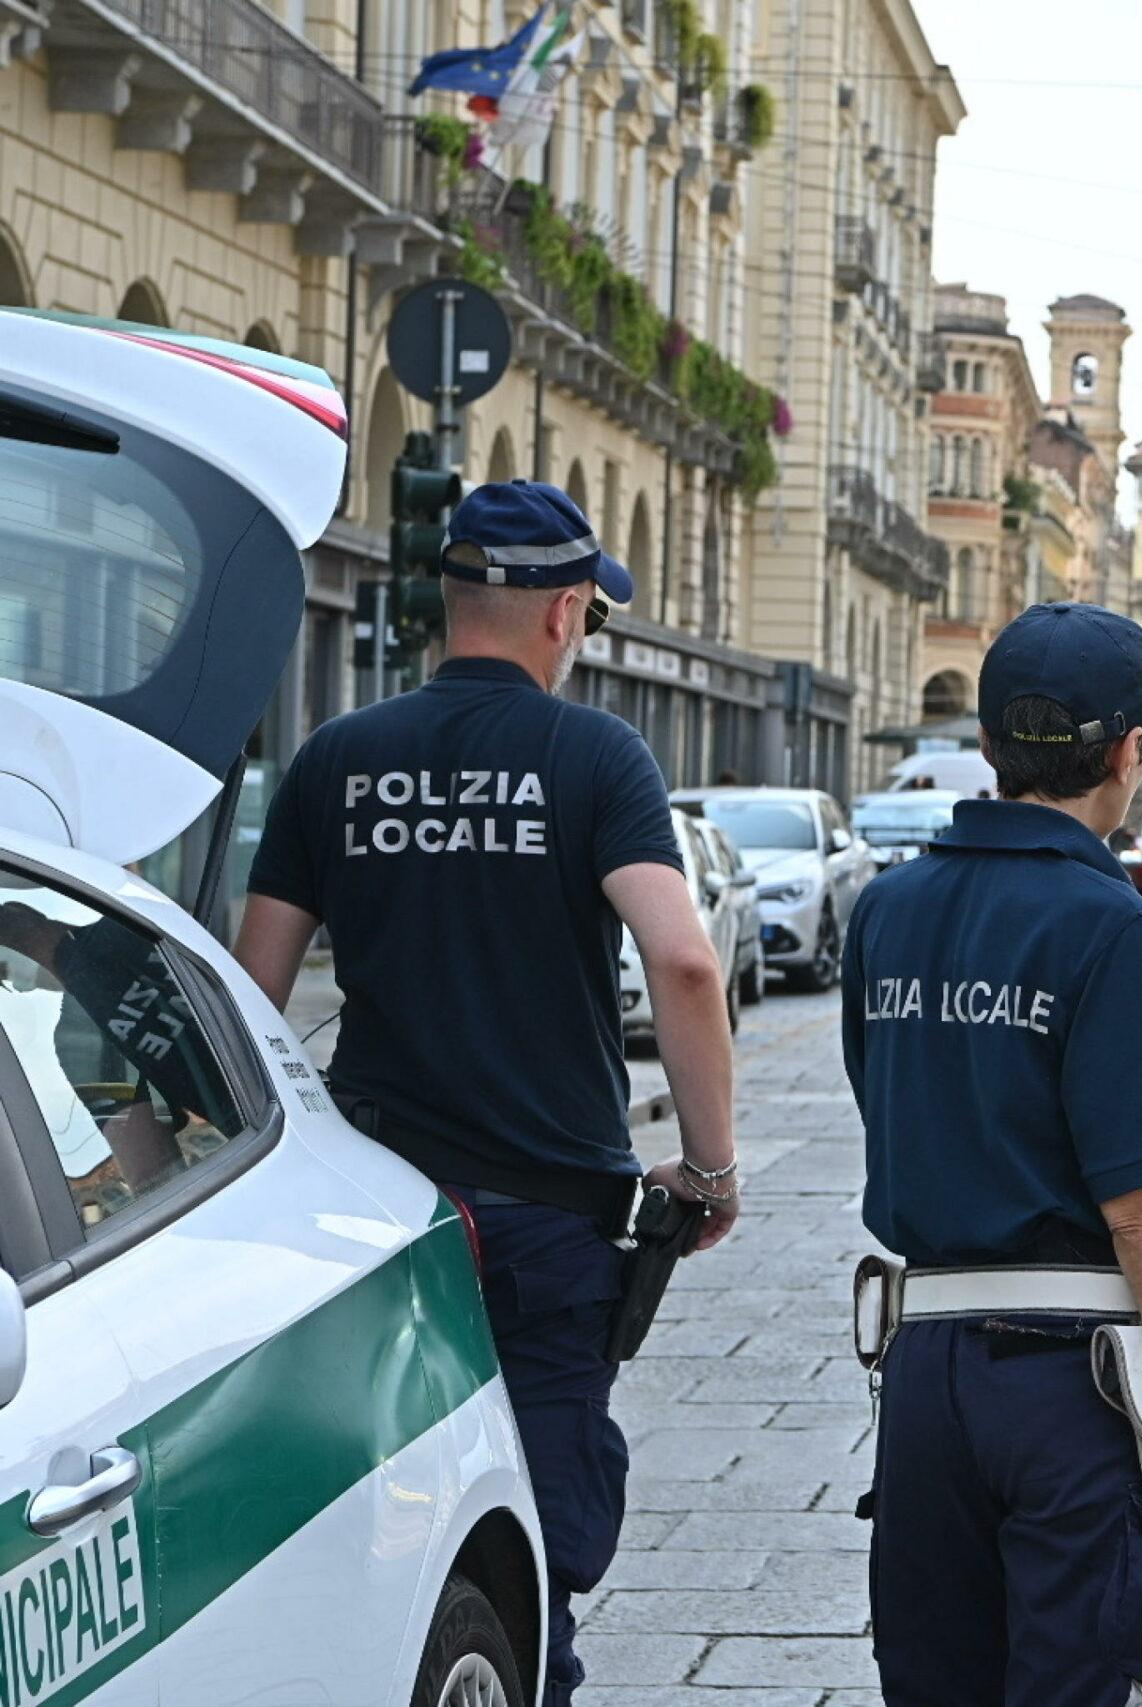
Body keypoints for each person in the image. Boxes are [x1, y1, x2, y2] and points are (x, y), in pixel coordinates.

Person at [233, 480, 739, 1707]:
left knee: (382, 1524)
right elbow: (682, 958)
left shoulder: (336, 758)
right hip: (544, 1223)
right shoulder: (595, 757)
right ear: (568, 613)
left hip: (374, 1218)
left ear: (445, 604)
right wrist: (711, 1172)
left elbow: (253, 991)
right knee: (535, 1533)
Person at [844, 603, 1142, 1706]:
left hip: (926, 1379)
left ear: (989, 745)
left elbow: (905, 1097)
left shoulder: (887, 911)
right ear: (1130, 750)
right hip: (1071, 1391)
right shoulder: (1107, 926)